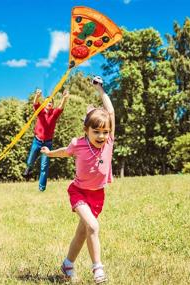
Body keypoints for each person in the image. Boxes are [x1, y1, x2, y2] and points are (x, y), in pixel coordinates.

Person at [41, 76, 114, 284]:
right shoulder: (79, 144)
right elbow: (65, 152)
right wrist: (49, 153)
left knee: (83, 233)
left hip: (98, 195)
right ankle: (98, 268)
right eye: (96, 131)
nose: (101, 136)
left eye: (105, 131)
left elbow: (110, 112)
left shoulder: (109, 142)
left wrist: (100, 90)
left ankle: (67, 264)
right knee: (93, 226)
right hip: (79, 191)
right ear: (86, 130)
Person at [23, 88, 70, 191]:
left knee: (44, 166)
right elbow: (35, 103)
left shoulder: (54, 113)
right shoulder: (40, 112)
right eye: (47, 101)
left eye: (51, 102)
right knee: (30, 159)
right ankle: (29, 168)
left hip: (47, 144)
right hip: (37, 141)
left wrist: (64, 98)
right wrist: (37, 95)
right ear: (44, 104)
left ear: (52, 104)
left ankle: (41, 188)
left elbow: (61, 106)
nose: (49, 103)